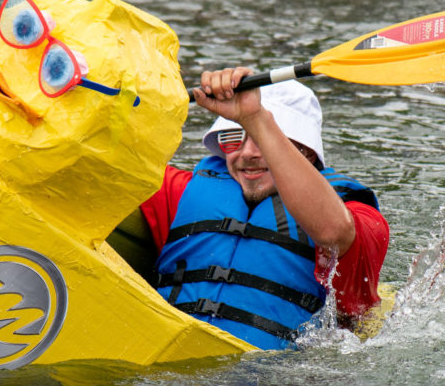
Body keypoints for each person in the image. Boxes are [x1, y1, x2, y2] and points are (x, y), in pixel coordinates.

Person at [138, 68, 389, 349]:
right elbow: (101, 165)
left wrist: (255, 117)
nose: (247, 153)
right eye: (235, 137)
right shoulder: (181, 191)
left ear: (306, 150)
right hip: (168, 369)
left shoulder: (361, 217)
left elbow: (332, 232)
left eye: (264, 138)